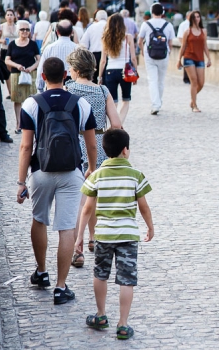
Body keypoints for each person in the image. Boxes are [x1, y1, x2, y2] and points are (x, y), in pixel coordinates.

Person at [17, 57, 97, 305]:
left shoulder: (31, 103)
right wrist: (92, 169)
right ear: (66, 75)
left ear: (42, 76)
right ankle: (61, 288)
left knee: (39, 220)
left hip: (40, 171)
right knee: (66, 228)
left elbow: (25, 146)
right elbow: (91, 143)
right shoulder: (79, 103)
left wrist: (21, 182)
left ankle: (41, 273)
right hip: (71, 172)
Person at [76, 128, 154, 340]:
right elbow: (144, 207)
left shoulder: (97, 175)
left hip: (103, 235)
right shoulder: (135, 175)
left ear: (104, 150)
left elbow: (87, 209)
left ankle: (101, 315)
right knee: (127, 280)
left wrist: (80, 236)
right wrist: (150, 226)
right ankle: (123, 324)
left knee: (100, 274)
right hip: (128, 236)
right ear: (126, 150)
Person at [66, 48, 122, 267]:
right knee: (93, 197)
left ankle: (77, 249)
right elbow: (116, 124)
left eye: (70, 67)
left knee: (80, 200)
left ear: (78, 70)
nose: (68, 71)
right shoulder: (102, 91)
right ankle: (92, 239)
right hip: (98, 147)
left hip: (74, 145)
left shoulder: (69, 88)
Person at [98, 14, 137, 125]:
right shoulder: (128, 37)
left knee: (113, 102)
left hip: (110, 71)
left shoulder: (105, 38)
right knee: (126, 100)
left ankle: (114, 124)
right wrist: (136, 73)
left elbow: (103, 61)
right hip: (125, 71)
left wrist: (100, 77)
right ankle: (119, 124)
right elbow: (133, 58)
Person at [138, 3, 175, 115]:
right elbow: (170, 43)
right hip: (164, 55)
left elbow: (140, 41)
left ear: (152, 12)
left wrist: (142, 51)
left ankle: (155, 104)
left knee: (152, 80)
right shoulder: (168, 25)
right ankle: (159, 101)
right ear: (163, 12)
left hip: (150, 55)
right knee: (161, 80)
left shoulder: (146, 24)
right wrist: (168, 52)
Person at [5, 20, 40, 134]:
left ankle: (31, 122)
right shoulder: (12, 44)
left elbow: (39, 60)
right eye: (22, 29)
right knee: (18, 100)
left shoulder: (33, 44)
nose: (25, 31)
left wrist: (31, 67)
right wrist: (17, 65)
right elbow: (7, 60)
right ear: (18, 31)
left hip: (30, 74)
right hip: (16, 74)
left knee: (31, 99)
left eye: (27, 29)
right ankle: (19, 124)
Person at [177, 11, 211, 112]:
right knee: (194, 81)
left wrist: (209, 58)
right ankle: (195, 105)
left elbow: (205, 45)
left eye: (198, 17)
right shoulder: (187, 31)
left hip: (200, 58)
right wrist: (179, 60)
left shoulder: (203, 31)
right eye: (195, 17)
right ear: (191, 19)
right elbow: (183, 46)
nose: (197, 19)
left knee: (201, 82)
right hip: (189, 57)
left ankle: (192, 100)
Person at [36, 20, 78, 92]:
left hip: (52, 83)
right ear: (72, 32)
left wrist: (40, 87)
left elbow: (41, 69)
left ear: (57, 32)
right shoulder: (77, 49)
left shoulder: (49, 48)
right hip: (73, 85)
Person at [80, 10, 108, 83]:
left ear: (96, 19)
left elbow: (83, 43)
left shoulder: (91, 27)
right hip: (107, 55)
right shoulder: (109, 26)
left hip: (94, 56)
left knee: (94, 80)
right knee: (107, 80)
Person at [0, 8, 18, 100]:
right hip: (5, 50)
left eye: (11, 15)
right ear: (5, 16)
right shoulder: (2, 26)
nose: (10, 16)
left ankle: (16, 91)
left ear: (14, 16)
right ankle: (10, 93)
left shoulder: (18, 26)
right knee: (7, 72)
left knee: (15, 71)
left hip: (16, 50)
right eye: (8, 15)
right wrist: (1, 40)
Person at [176, 11, 193, 85]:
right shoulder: (183, 25)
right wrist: (184, 45)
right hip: (186, 45)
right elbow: (180, 36)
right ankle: (186, 78)